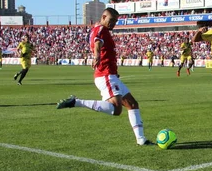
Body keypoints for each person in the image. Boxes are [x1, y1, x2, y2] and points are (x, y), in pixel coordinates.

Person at [56, 8, 152, 145]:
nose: (113, 23)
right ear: (103, 17)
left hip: (111, 75)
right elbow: (97, 43)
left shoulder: (100, 29)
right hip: (105, 75)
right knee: (116, 109)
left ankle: (141, 139)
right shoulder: (101, 29)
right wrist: (97, 56)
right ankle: (76, 102)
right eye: (111, 20)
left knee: (132, 104)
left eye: (115, 21)